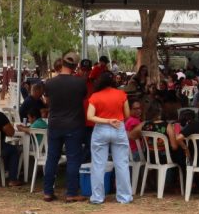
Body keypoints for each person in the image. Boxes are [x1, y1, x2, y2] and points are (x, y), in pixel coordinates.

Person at [43, 52, 89, 202]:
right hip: (74, 125)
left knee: (52, 158)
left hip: (55, 124)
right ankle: (71, 193)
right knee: (73, 159)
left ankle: (48, 192)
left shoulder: (49, 83)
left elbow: (47, 102)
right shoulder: (80, 83)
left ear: (62, 63)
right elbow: (82, 99)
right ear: (75, 66)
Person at [86, 72, 133, 205]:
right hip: (118, 128)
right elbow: (127, 114)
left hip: (101, 129)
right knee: (122, 164)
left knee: (98, 165)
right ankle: (124, 197)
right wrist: (114, 120)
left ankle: (97, 197)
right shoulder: (121, 94)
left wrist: (107, 121)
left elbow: (90, 117)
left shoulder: (95, 96)